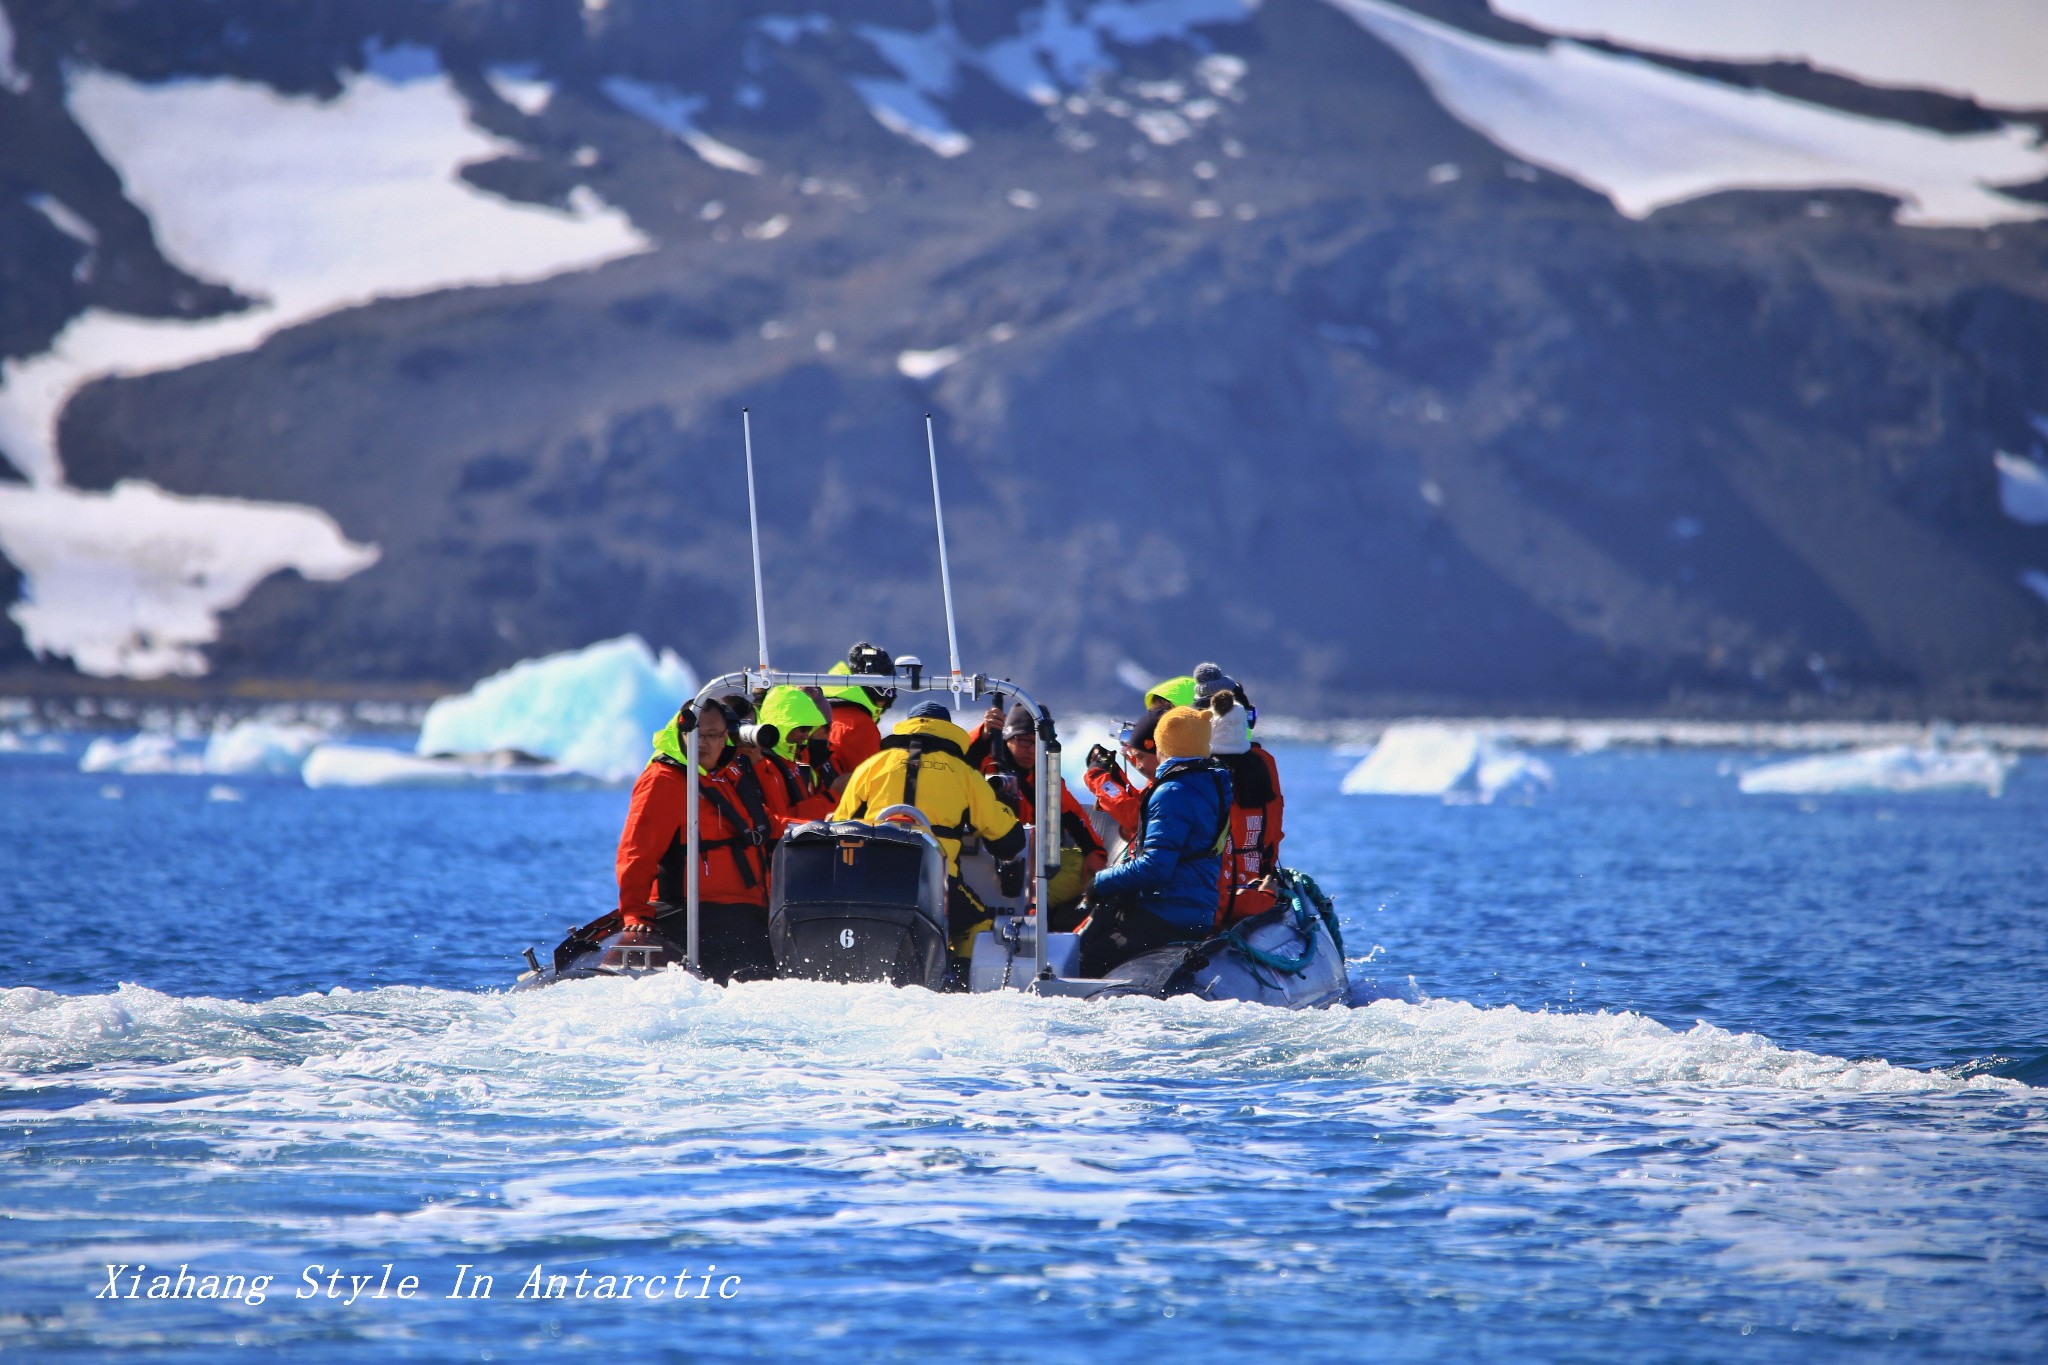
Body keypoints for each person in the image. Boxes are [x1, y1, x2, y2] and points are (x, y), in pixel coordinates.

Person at [611, 698, 796, 984]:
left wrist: (819, 828)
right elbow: (636, 851)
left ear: (727, 737)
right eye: (694, 734)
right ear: (681, 732)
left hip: (748, 912)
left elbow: (766, 825)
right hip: (695, 913)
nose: (702, 743)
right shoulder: (664, 780)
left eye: (712, 735)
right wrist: (635, 913)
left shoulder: (726, 776)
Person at [833, 699, 1027, 961]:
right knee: (975, 924)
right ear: (946, 730)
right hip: (935, 883)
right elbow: (1009, 840)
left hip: (872, 881)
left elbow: (839, 828)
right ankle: (958, 990)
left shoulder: (870, 767)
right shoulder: (963, 773)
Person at [1078, 706, 1232, 976]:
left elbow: (1156, 866)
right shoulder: (1210, 783)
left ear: (1164, 744)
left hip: (1167, 913)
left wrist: (1100, 883)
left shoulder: (1172, 792)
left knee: (1088, 958)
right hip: (1197, 910)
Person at [969, 701, 1107, 930]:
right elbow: (959, 758)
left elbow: (1073, 814)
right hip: (981, 857)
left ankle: (1031, 904)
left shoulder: (1046, 775)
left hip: (1030, 861)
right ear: (1007, 738)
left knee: (1085, 864)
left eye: (1037, 743)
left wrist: (1094, 851)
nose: (1031, 750)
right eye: (1023, 741)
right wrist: (982, 734)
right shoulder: (984, 760)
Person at [1192, 663, 1285, 922]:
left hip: (1211, 904)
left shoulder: (1193, 771)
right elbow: (1272, 832)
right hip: (1259, 891)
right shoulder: (1263, 763)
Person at [1083, 704, 1167, 846]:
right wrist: (1117, 779)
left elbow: (1137, 819)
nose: (1139, 765)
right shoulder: (1168, 779)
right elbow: (1144, 804)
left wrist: (1100, 779)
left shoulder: (1179, 785)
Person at [752, 685, 839, 821]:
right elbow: (782, 820)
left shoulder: (791, 761)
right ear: (782, 724)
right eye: (803, 728)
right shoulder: (765, 764)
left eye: (809, 729)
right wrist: (834, 797)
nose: (806, 736)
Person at [820, 641, 896, 788]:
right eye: (887, 689)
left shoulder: (821, 716)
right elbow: (871, 785)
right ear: (874, 690)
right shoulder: (861, 726)